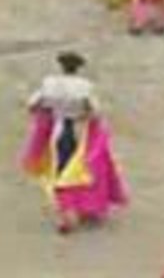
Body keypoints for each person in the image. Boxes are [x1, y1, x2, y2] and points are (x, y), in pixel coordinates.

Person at [20, 52, 128, 233]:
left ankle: (68, 214)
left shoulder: (49, 84)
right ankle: (81, 209)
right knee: (82, 171)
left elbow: (32, 105)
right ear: (78, 68)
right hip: (80, 131)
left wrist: (47, 113)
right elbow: (95, 112)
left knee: (62, 172)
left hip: (57, 131)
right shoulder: (85, 86)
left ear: (61, 66)